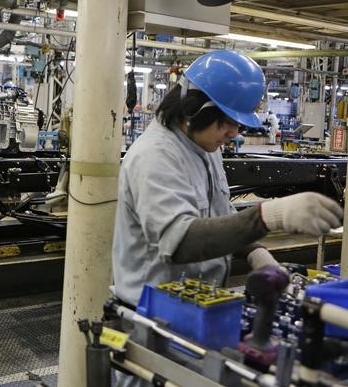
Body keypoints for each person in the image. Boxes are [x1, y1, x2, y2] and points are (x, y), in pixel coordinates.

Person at [112, 50, 342, 384]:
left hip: (197, 317)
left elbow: (219, 218)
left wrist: (254, 251)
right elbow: (182, 242)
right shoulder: (155, 157)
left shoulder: (206, 150)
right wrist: (268, 216)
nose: (234, 132)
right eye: (227, 121)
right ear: (194, 110)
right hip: (153, 324)